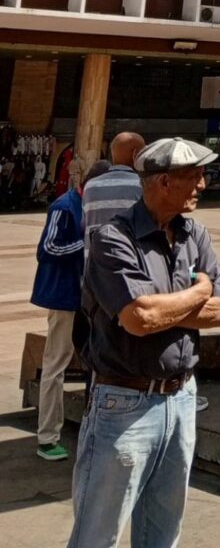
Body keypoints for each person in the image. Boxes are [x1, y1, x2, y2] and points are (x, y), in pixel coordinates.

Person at [67, 137, 220, 548]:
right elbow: (139, 319)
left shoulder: (195, 234)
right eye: (193, 176)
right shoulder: (111, 238)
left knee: (162, 532)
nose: (203, 184)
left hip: (182, 398)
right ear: (162, 183)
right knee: (97, 535)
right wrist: (197, 292)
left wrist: (167, 307)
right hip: (123, 404)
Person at [30, 160, 101, 461]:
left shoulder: (93, 208)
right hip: (62, 296)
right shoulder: (64, 206)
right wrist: (85, 244)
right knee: (55, 365)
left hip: (86, 297)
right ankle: (47, 436)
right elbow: (47, 248)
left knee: (96, 361)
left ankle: (94, 426)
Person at [81, 132, 145, 255]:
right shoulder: (142, 185)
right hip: (130, 264)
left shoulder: (90, 186)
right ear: (135, 154)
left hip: (93, 264)